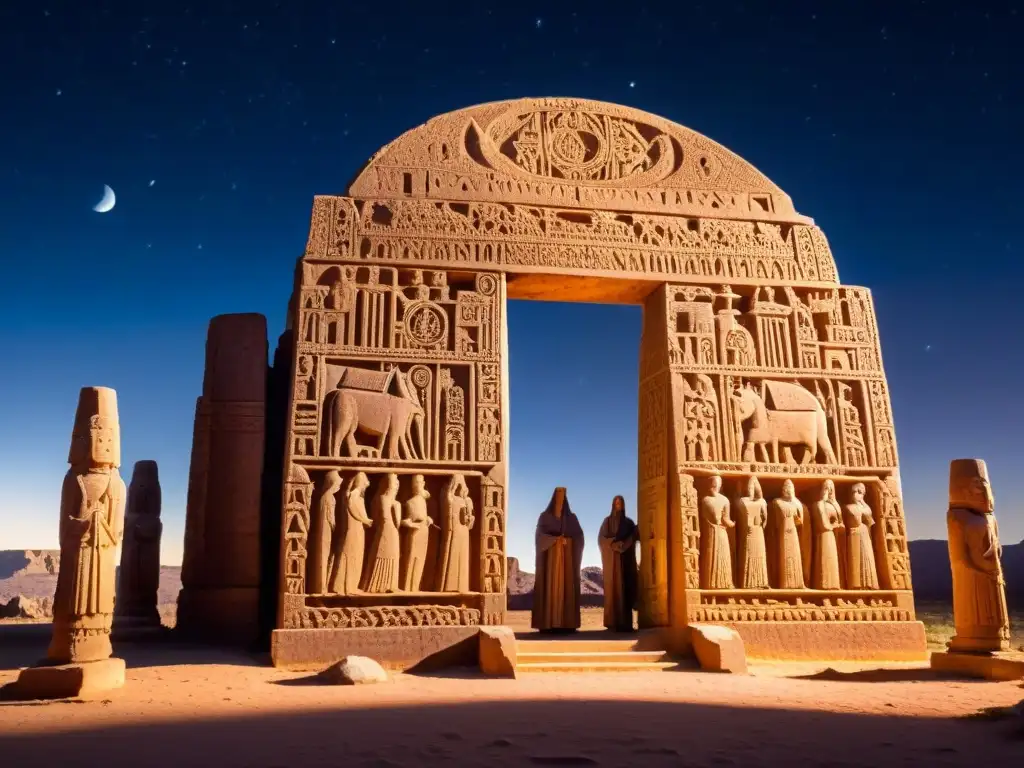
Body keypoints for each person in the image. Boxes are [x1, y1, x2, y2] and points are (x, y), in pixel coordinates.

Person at [531, 487, 584, 632]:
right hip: (550, 562)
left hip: (566, 561)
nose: (560, 498)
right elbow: (539, 537)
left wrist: (567, 541)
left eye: (563, 495)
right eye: (558, 494)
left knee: (566, 589)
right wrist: (554, 540)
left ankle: (566, 624)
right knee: (550, 590)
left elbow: (579, 537)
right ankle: (547, 623)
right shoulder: (544, 517)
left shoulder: (571, 518)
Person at [598, 495, 638, 632]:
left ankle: (626, 623)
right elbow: (602, 539)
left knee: (625, 589)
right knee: (613, 589)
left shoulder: (629, 523)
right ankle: (612, 622)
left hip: (625, 561)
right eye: (616, 502)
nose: (618, 504)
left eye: (620, 502)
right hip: (612, 562)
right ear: (613, 504)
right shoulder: (607, 522)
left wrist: (624, 545)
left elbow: (634, 536)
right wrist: (613, 544)